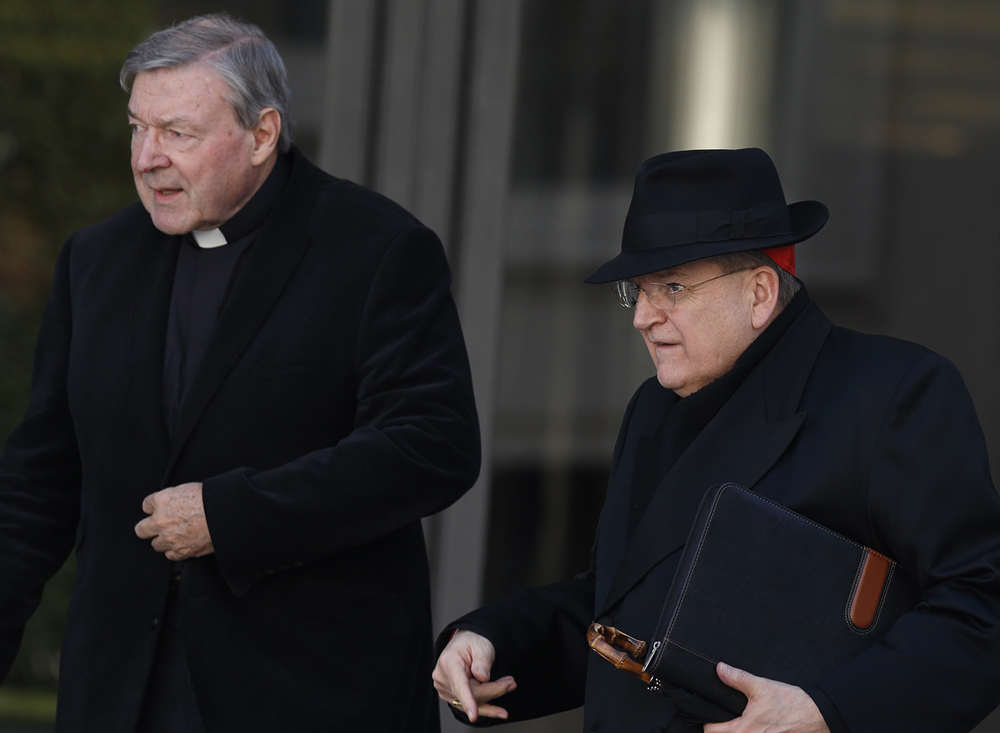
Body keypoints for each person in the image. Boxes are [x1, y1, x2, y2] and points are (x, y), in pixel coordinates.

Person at [0, 13, 480, 733]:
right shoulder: (95, 260)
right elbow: (38, 484)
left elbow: (432, 446)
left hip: (308, 694)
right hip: (118, 694)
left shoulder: (376, 248)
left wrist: (232, 515)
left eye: (178, 133)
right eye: (137, 128)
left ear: (262, 134)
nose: (146, 157)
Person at [432, 148, 1000, 732]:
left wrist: (827, 712)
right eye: (637, 291)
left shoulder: (890, 392)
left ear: (759, 294)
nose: (642, 318)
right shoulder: (654, 407)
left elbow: (982, 608)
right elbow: (623, 607)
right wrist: (490, 639)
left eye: (672, 288)